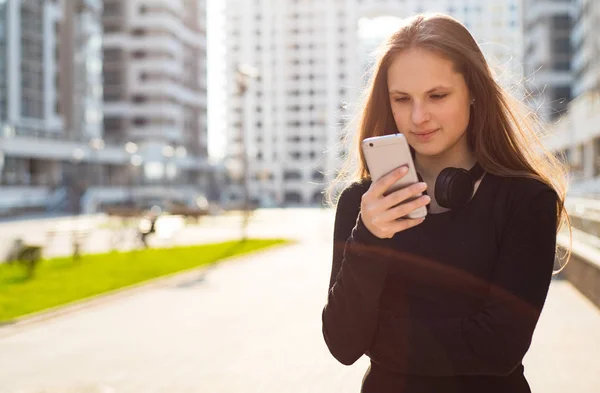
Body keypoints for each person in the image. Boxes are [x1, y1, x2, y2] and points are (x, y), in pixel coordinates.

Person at [321, 13, 571, 393]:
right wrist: (368, 239)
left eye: (437, 95)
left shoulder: (526, 200)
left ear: (473, 91)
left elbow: (498, 349)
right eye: (402, 99)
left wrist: (381, 339)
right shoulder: (363, 205)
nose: (418, 117)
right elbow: (343, 343)